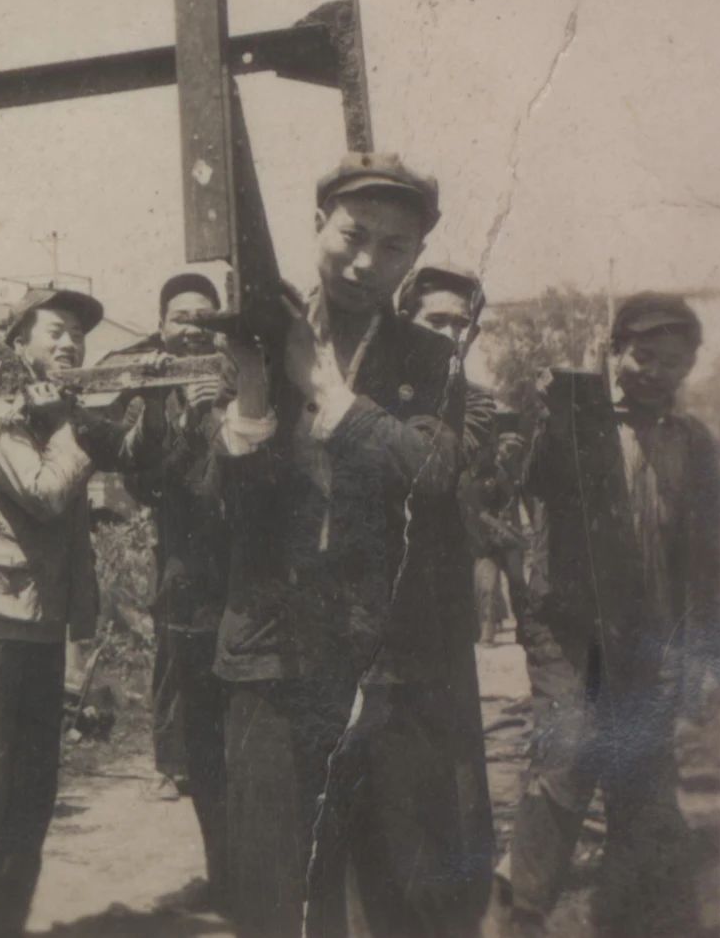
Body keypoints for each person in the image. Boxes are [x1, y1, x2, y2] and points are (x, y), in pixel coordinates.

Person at [213, 153, 492, 937]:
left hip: (386, 664)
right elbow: (214, 500)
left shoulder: (430, 358)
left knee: (396, 892)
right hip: (271, 655)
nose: (368, 261)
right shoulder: (250, 336)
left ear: (416, 255)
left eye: (394, 246)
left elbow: (431, 470)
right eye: (352, 234)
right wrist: (253, 393)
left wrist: (324, 389)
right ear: (317, 225)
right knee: (274, 893)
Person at [0, 286, 157, 938]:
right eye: (54, 330)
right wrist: (68, 428)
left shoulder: (59, 416)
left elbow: (128, 458)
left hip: (41, 626)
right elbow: (47, 491)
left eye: (77, 334)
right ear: (19, 342)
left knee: (32, 800)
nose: (69, 343)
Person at [505, 293, 720, 937]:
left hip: (650, 635)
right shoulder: (577, 424)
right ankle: (519, 911)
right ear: (615, 353)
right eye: (643, 356)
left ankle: (635, 916)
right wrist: (556, 413)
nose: (656, 372)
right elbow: (529, 478)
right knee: (571, 748)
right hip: (570, 631)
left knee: (644, 773)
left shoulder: (694, 442)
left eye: (673, 362)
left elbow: (708, 553)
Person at [120, 272, 231, 912]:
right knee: (205, 743)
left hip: (254, 586)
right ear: (162, 326)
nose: (192, 327)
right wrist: (184, 420)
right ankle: (224, 873)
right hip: (188, 588)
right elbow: (145, 485)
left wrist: (223, 408)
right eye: (180, 317)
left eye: (203, 317)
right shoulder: (152, 398)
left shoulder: (246, 376)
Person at [398, 264, 513, 644]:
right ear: (404, 322)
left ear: (474, 334)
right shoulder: (375, 388)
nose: (450, 335)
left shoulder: (477, 403)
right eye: (436, 321)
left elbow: (434, 467)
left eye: (461, 325)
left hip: (439, 586)